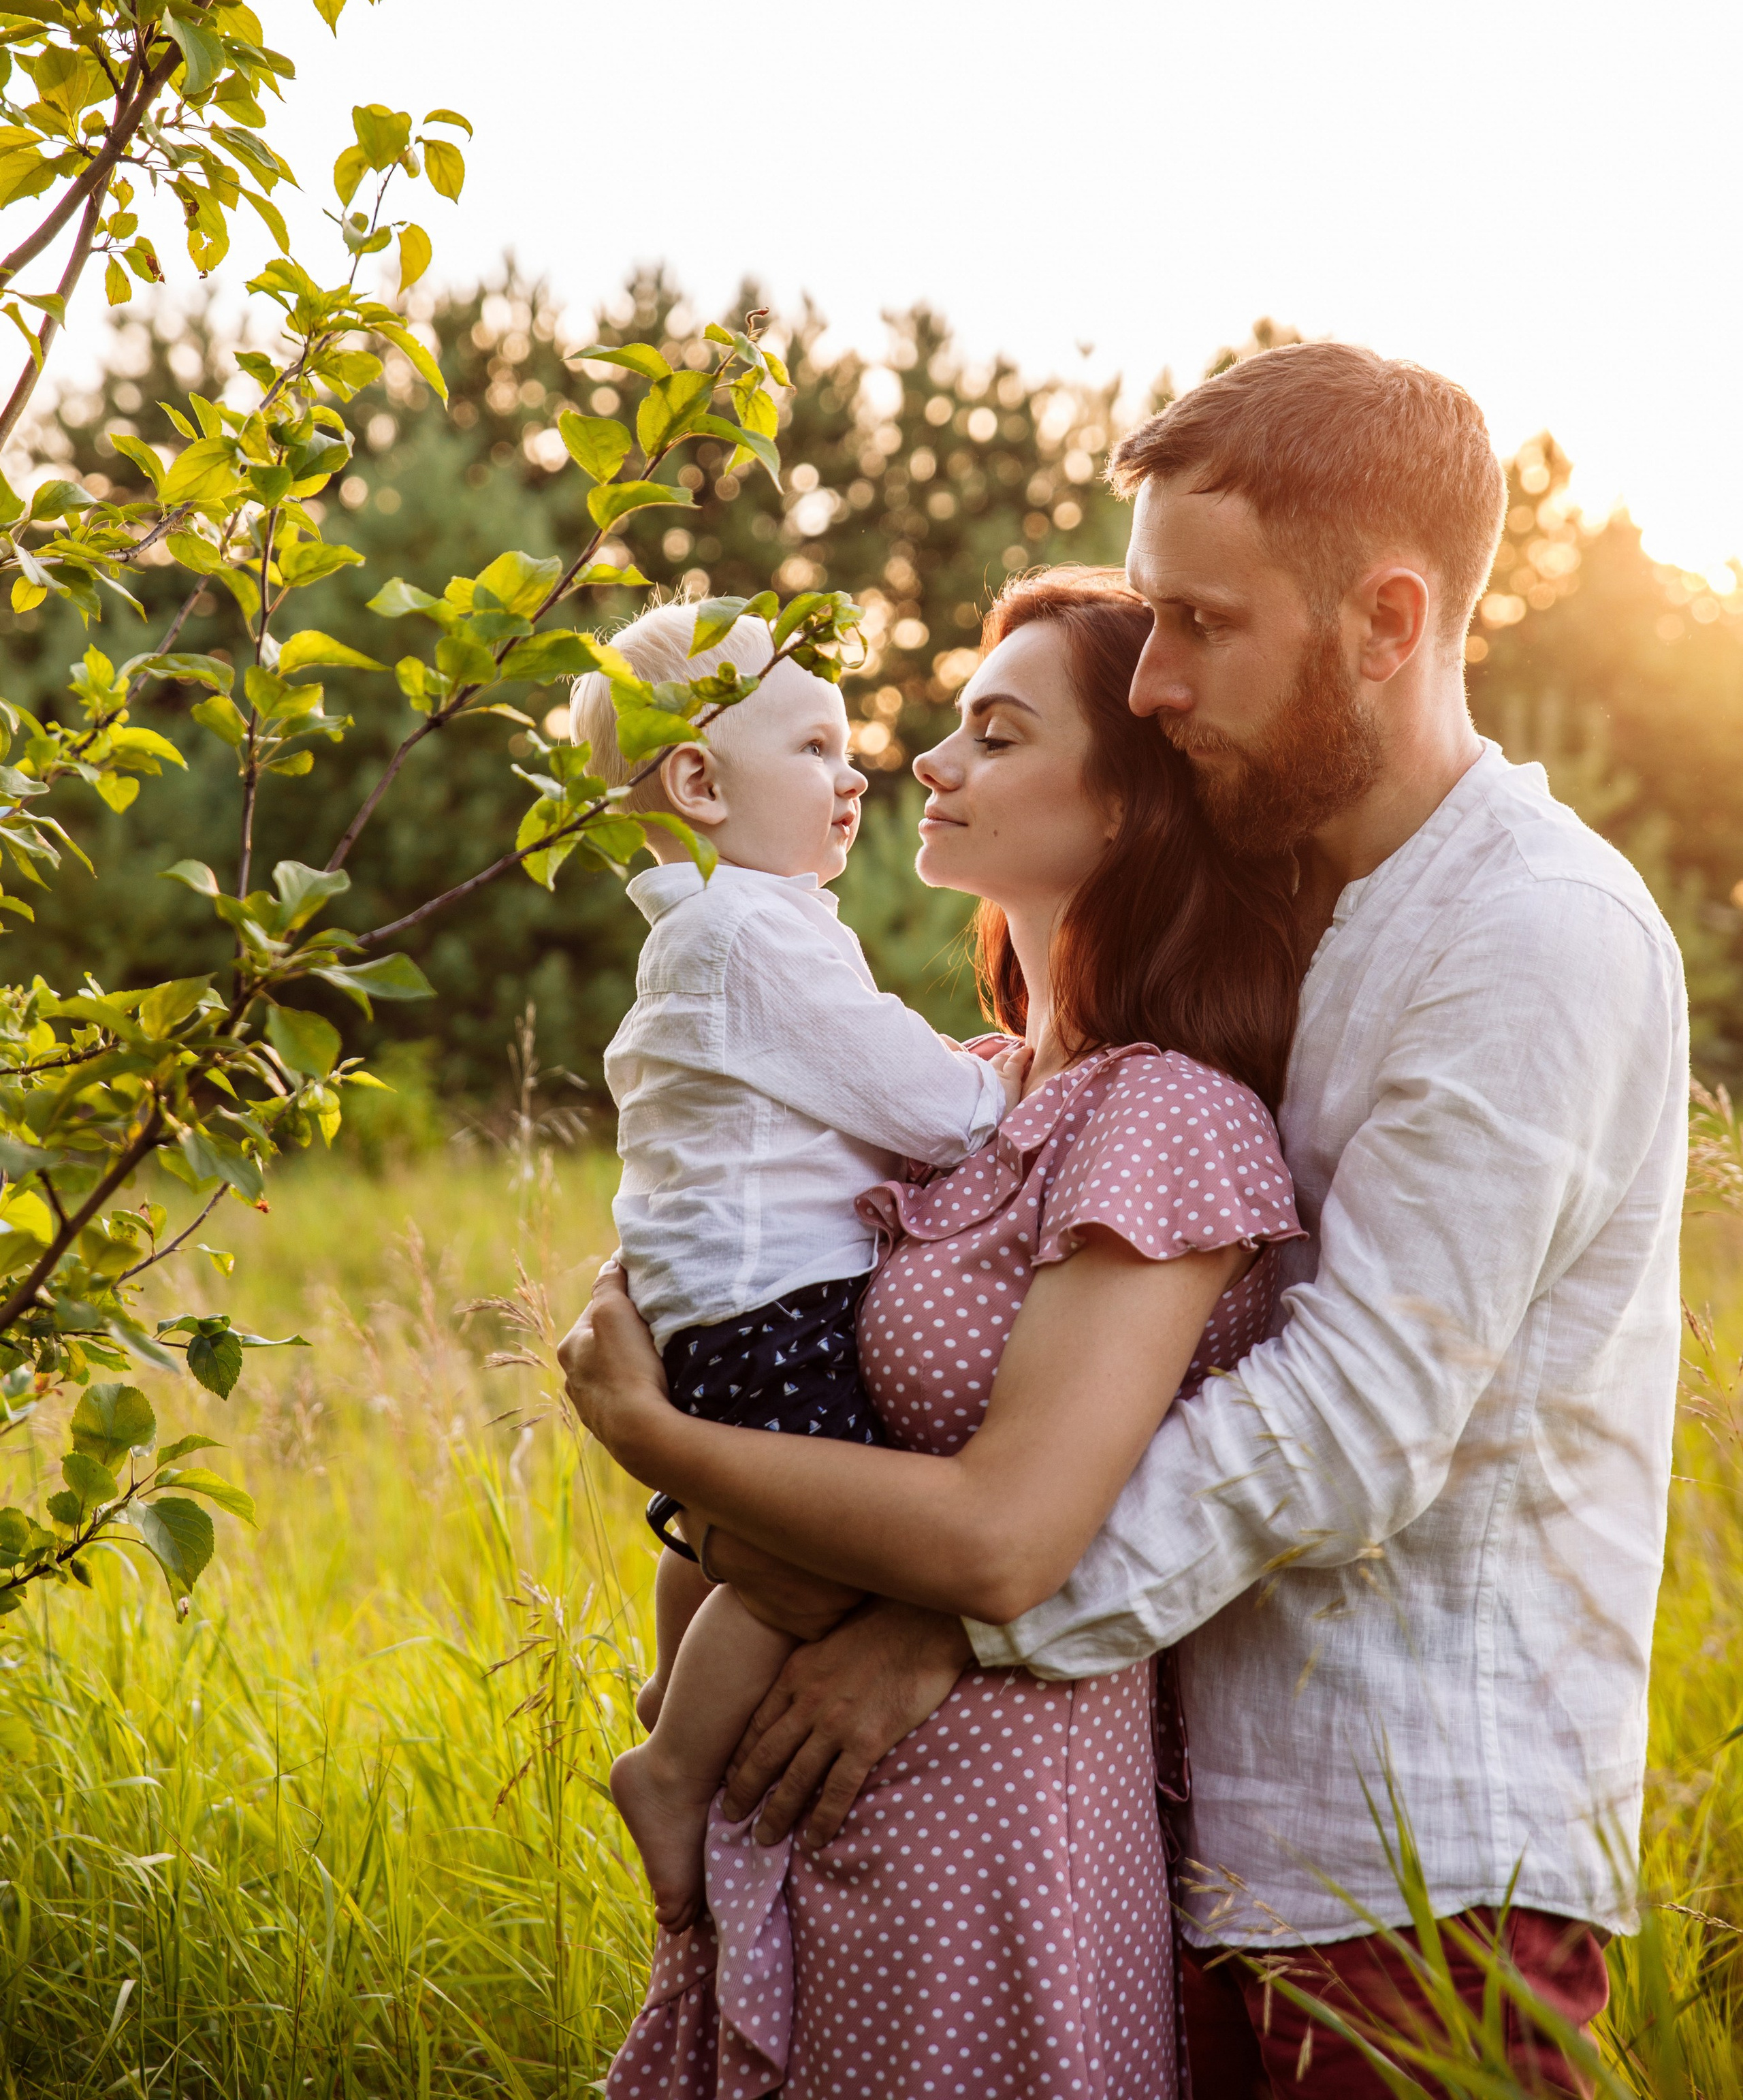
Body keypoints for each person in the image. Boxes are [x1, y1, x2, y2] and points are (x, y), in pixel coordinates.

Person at [568, 345, 1688, 2100]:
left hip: (1409, 1866)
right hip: (1170, 1835)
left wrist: (945, 1608)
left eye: (1198, 623)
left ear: (1385, 622)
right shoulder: (1286, 934)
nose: (1155, 679)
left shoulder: (1529, 934)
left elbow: (1351, 1419)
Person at [573, 565, 1305, 2099]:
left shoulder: (1154, 1109)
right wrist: (683, 1457)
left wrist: (655, 1438)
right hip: (787, 1822)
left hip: (976, 1842)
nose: (916, 760)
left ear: (1121, 808)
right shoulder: (963, 1089)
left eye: (994, 731)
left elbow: (1003, 1535)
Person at [571, 601, 1027, 1929]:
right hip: (774, 1300)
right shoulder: (756, 936)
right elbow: (928, 1107)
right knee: (818, 1556)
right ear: (700, 783)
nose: (855, 776)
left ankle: (674, 1682)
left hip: (709, 1297)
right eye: (819, 749)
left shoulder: (700, 933)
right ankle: (671, 1766)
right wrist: (1006, 1085)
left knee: (745, 1531)